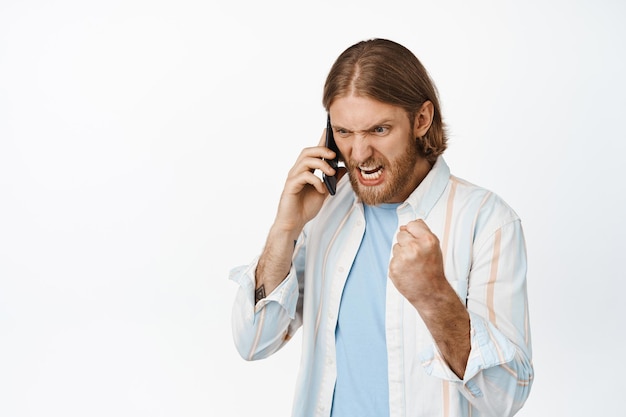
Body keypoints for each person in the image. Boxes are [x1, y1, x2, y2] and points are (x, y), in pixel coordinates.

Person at [229, 38, 533, 417]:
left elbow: (504, 398)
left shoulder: (488, 222)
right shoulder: (323, 210)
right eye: (343, 132)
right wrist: (285, 227)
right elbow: (254, 341)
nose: (358, 154)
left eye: (378, 130)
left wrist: (435, 296)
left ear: (421, 120)